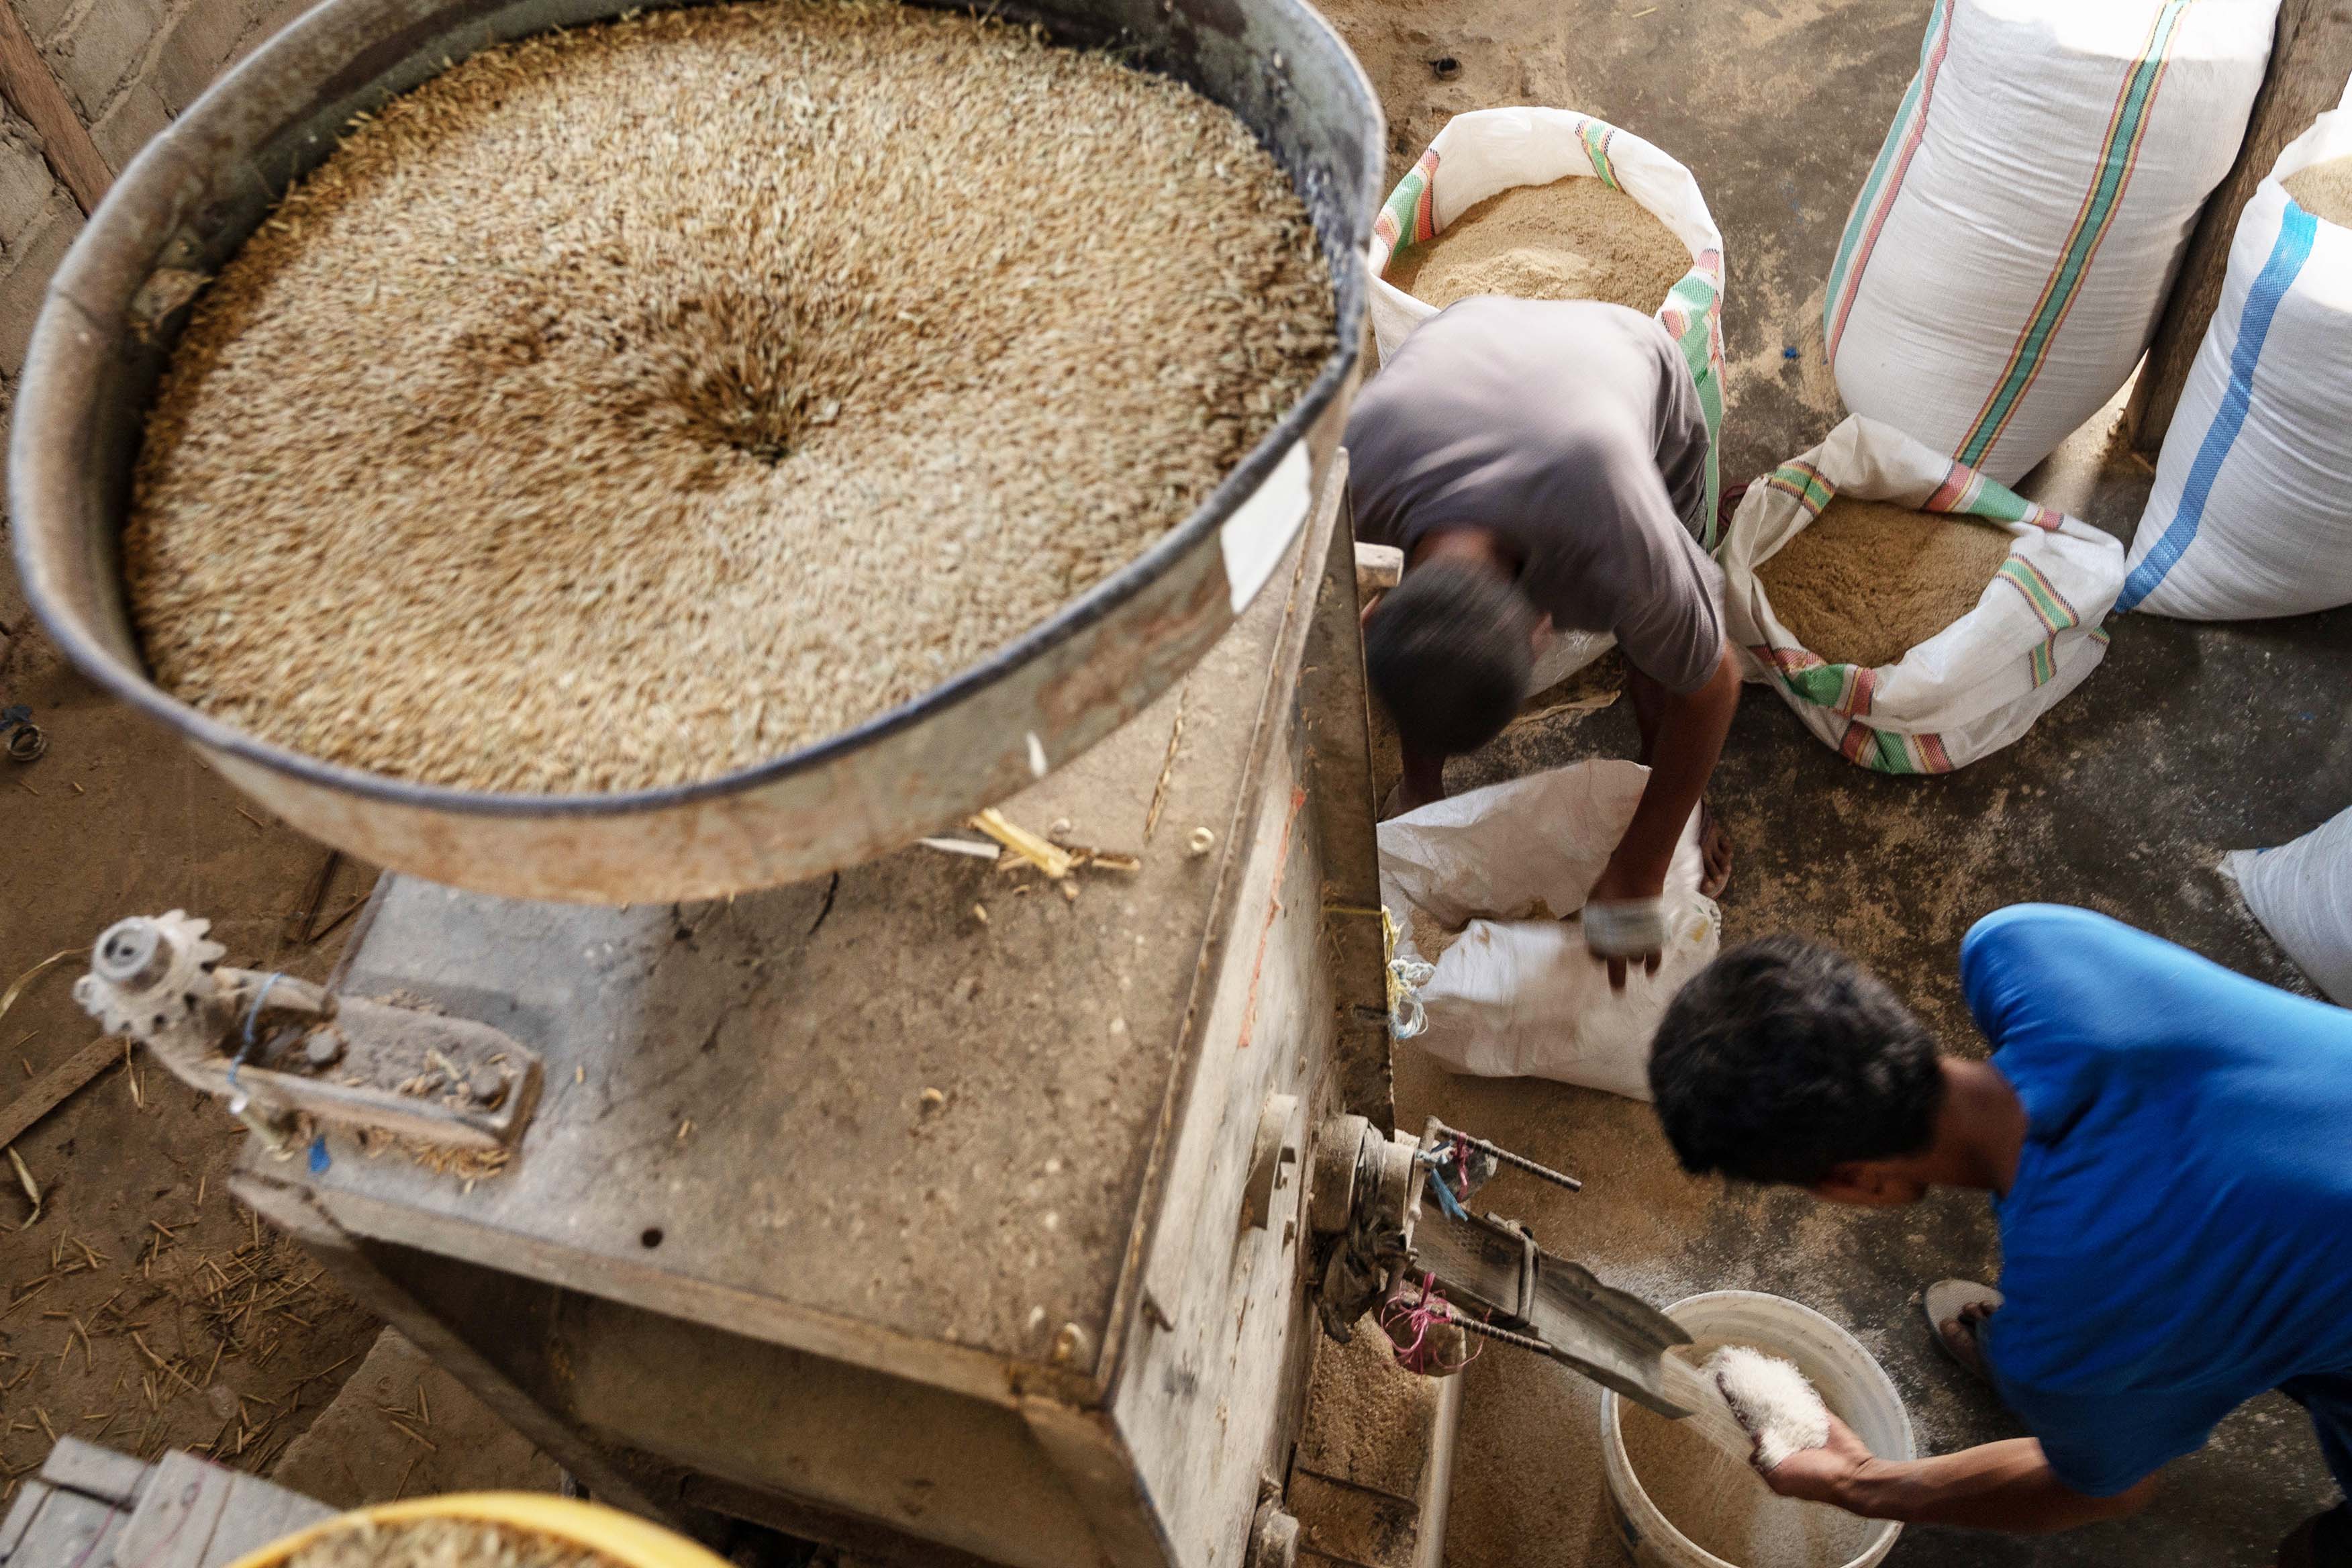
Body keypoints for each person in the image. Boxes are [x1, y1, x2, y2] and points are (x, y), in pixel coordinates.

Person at [1645, 905, 2352, 1563]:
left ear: (1855, 1180)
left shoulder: (2088, 1298)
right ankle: (2114, 1388)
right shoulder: (2020, 944)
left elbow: (2107, 1491)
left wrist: (1860, 1480)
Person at [1346, 297, 1740, 987]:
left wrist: (1643, 864)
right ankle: (1421, 789)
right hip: (1468, 341)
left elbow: (1715, 683)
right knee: (1432, 670)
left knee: (1663, 650)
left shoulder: (1613, 531)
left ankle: (1660, 781)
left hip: (1629, 362)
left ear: (1544, 626)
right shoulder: (1358, 476)